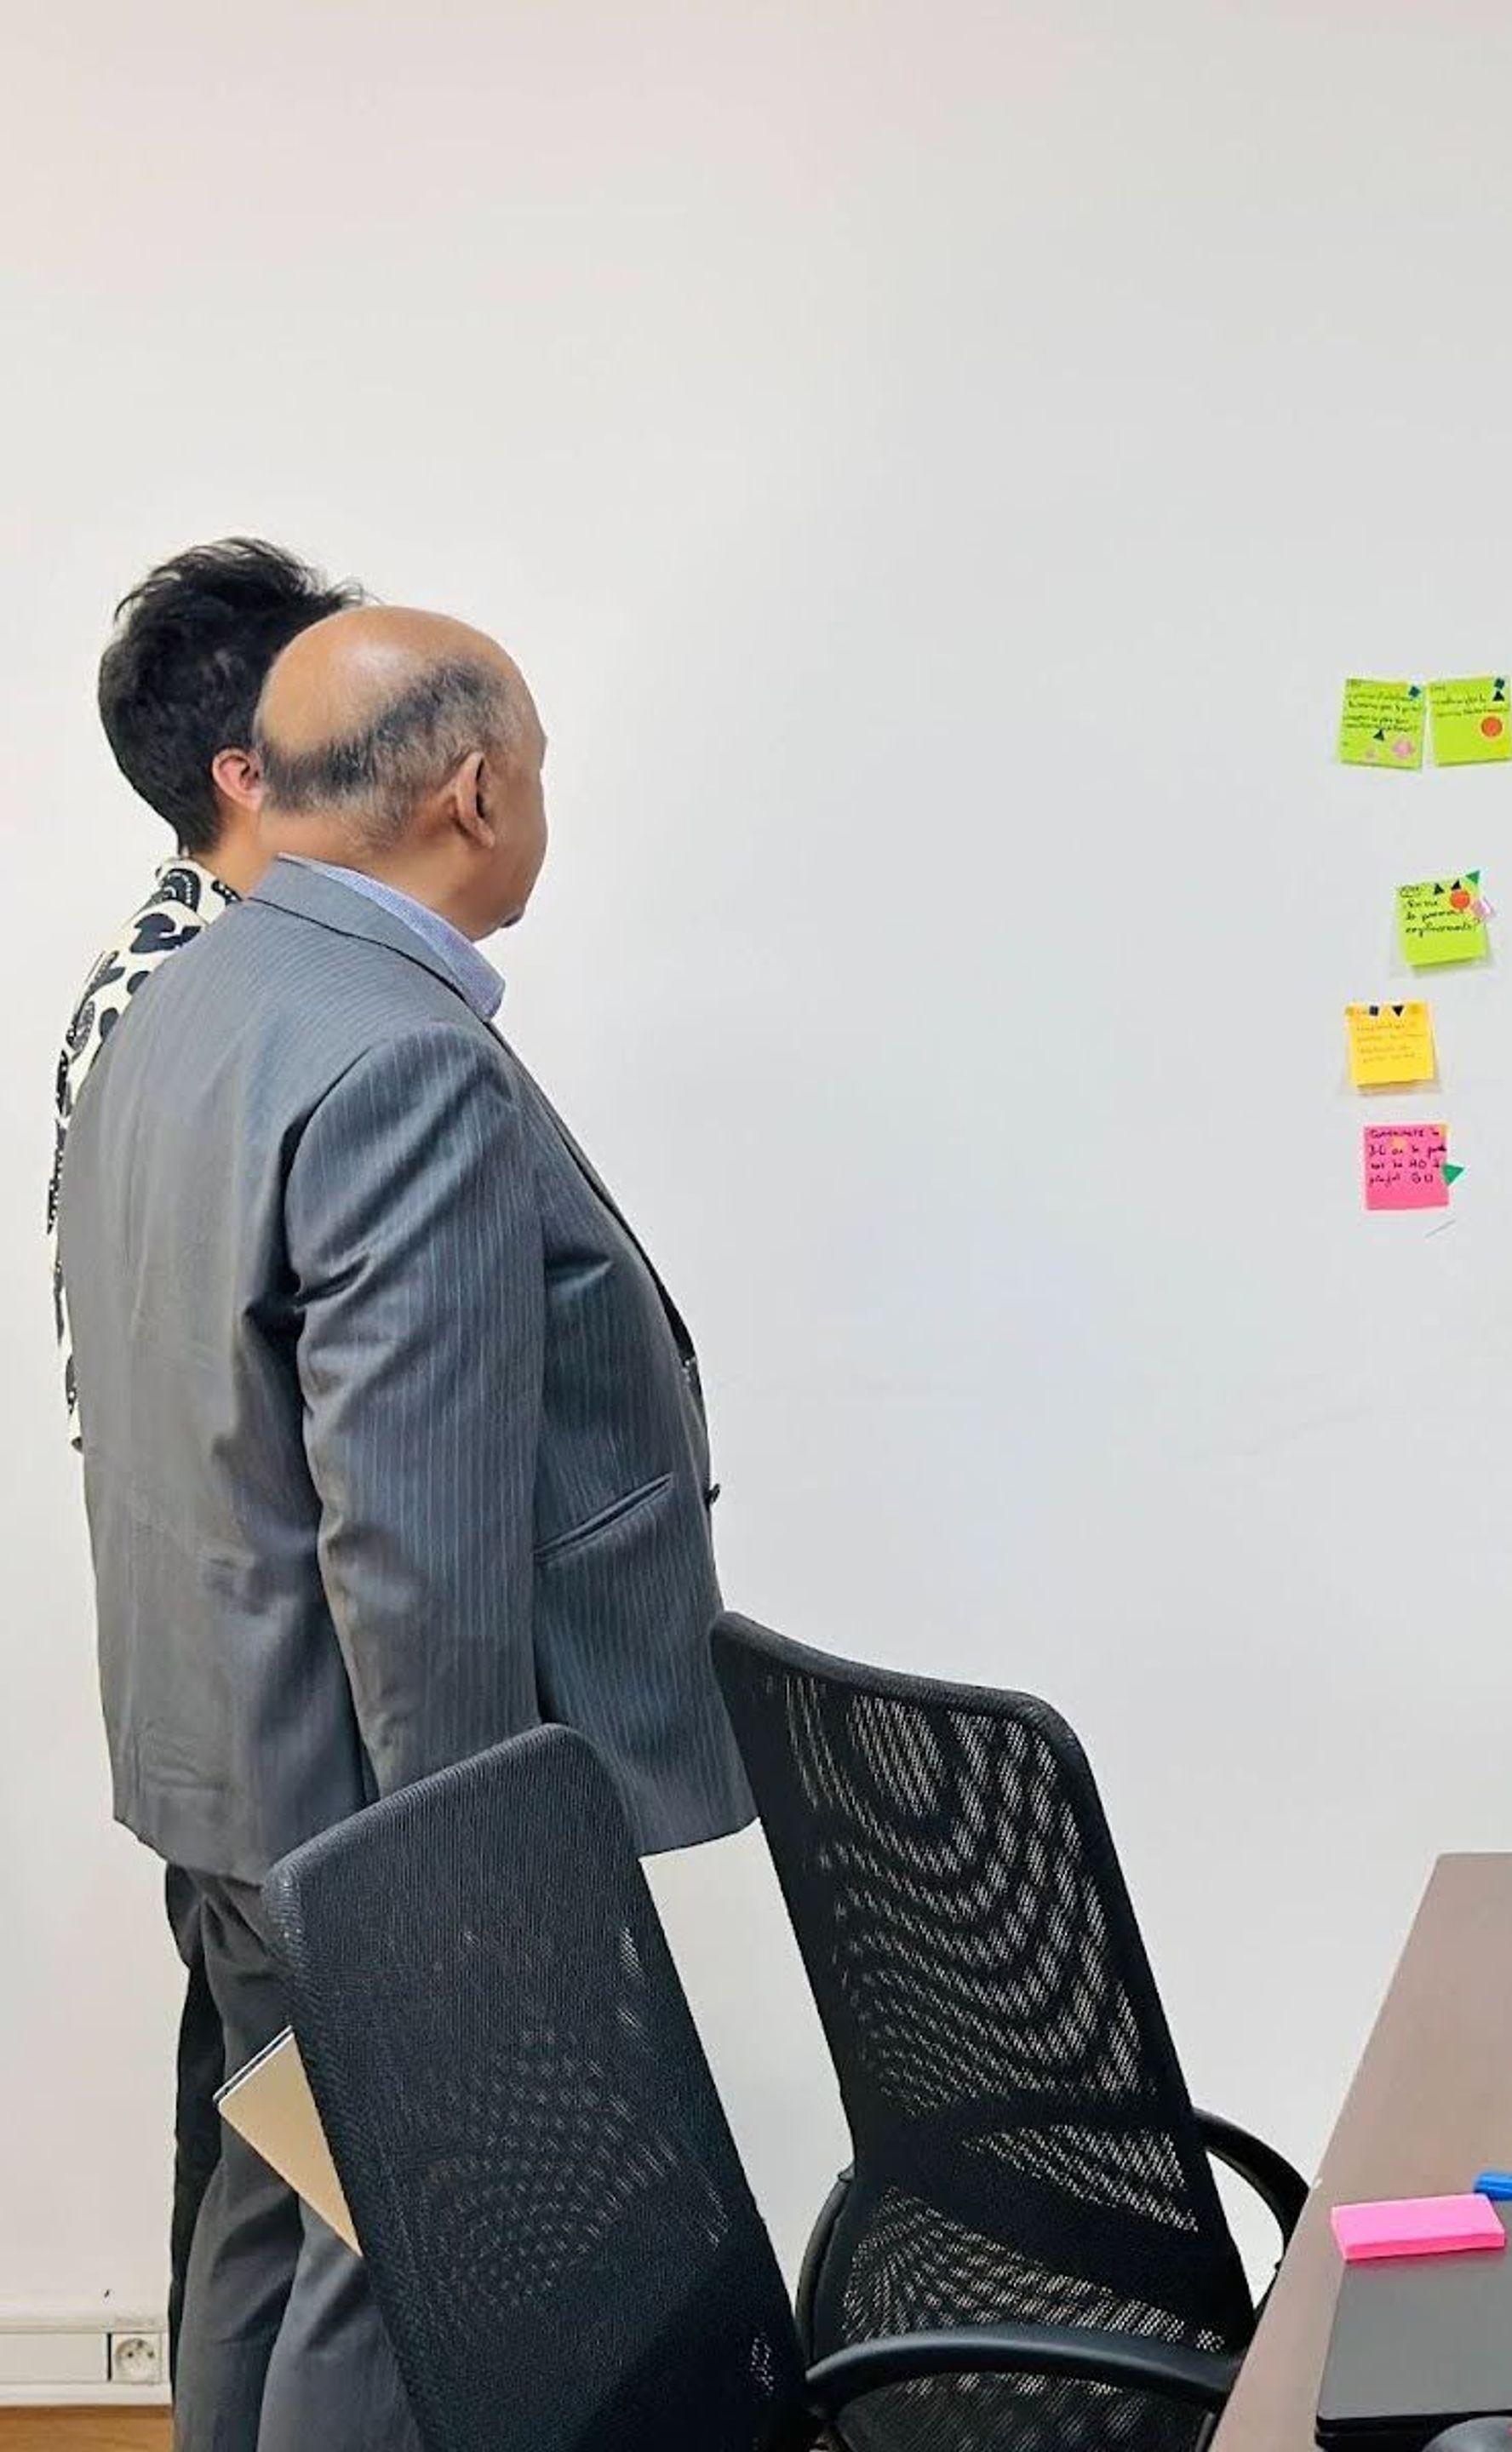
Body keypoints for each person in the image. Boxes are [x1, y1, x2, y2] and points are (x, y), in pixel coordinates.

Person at [60, 604, 753, 2452]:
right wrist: (461, 1893)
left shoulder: (181, 1003)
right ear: (475, 789)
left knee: (271, 2225)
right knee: (410, 2279)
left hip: (219, 1764)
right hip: (380, 1806)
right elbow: (413, 1534)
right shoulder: (402, 1056)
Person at [47, 538, 363, 2390]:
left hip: (201, 1690)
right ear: (249, 768)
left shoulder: (159, 981)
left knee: (266, 2171)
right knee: (347, 2205)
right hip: (274, 1697)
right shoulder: (229, 1002)